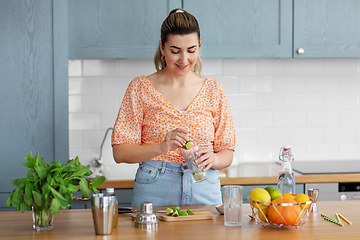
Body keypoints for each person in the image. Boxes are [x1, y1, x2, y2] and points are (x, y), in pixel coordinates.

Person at [111, 8, 235, 207]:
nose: (184, 60)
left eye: (191, 50)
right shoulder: (140, 88)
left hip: (205, 186)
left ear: (199, 46)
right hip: (155, 187)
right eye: (175, 51)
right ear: (162, 48)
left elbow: (227, 152)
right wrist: (161, 147)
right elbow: (120, 152)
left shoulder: (214, 90)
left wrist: (213, 159)